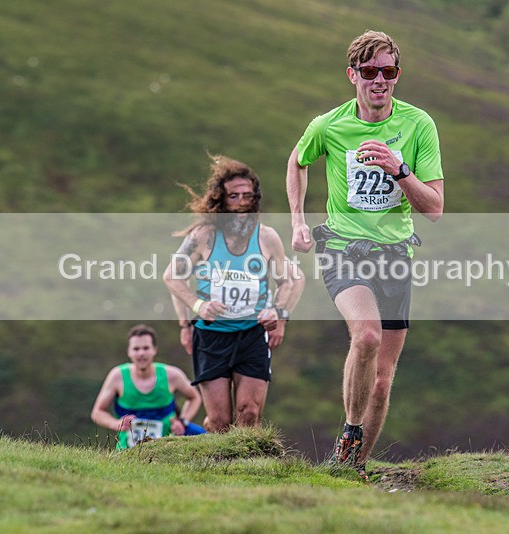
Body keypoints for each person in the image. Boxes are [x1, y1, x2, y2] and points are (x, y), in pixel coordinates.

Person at [286, 30, 444, 479]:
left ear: (397, 75)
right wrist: (298, 220)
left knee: (381, 379)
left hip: (395, 255)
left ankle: (351, 469)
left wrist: (399, 169)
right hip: (343, 248)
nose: (380, 80)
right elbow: (297, 160)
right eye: (370, 71)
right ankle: (350, 433)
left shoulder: (419, 125)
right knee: (368, 336)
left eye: (388, 71)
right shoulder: (329, 125)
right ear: (352, 75)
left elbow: (434, 209)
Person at [163, 155, 297, 433]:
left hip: (252, 334)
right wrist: (198, 306)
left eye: (247, 196)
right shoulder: (203, 236)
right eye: (233, 196)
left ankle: (250, 462)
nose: (241, 203)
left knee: (249, 413)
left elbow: (286, 282)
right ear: (221, 201)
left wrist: (277, 311)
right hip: (212, 336)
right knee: (220, 422)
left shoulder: (267, 237)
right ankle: (213, 453)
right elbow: (172, 276)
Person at [91, 324, 205, 449]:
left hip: (168, 448)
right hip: (127, 450)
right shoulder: (117, 377)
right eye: (136, 349)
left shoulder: (172, 375)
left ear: (154, 349)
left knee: (205, 436)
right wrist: (116, 424)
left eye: (146, 348)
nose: (141, 353)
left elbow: (195, 397)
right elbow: (97, 412)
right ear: (129, 352)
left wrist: (182, 421)